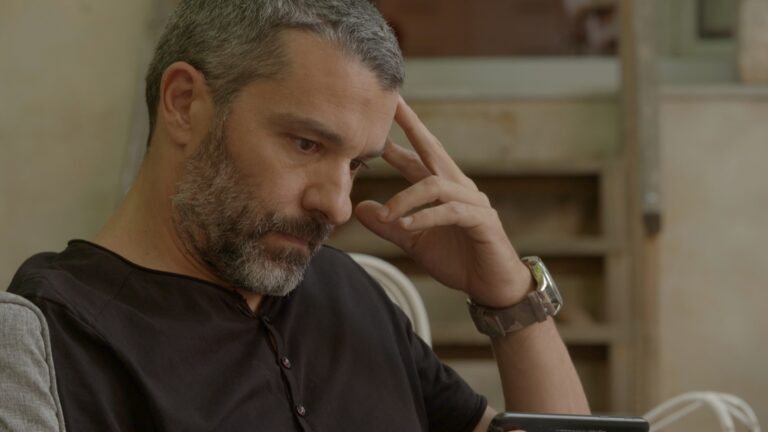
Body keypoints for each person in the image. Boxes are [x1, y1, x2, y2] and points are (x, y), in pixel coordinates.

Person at [8, 0, 589, 430]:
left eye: (356, 164)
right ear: (184, 103)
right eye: (306, 144)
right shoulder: (51, 338)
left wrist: (510, 299)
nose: (337, 205)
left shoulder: (344, 291)